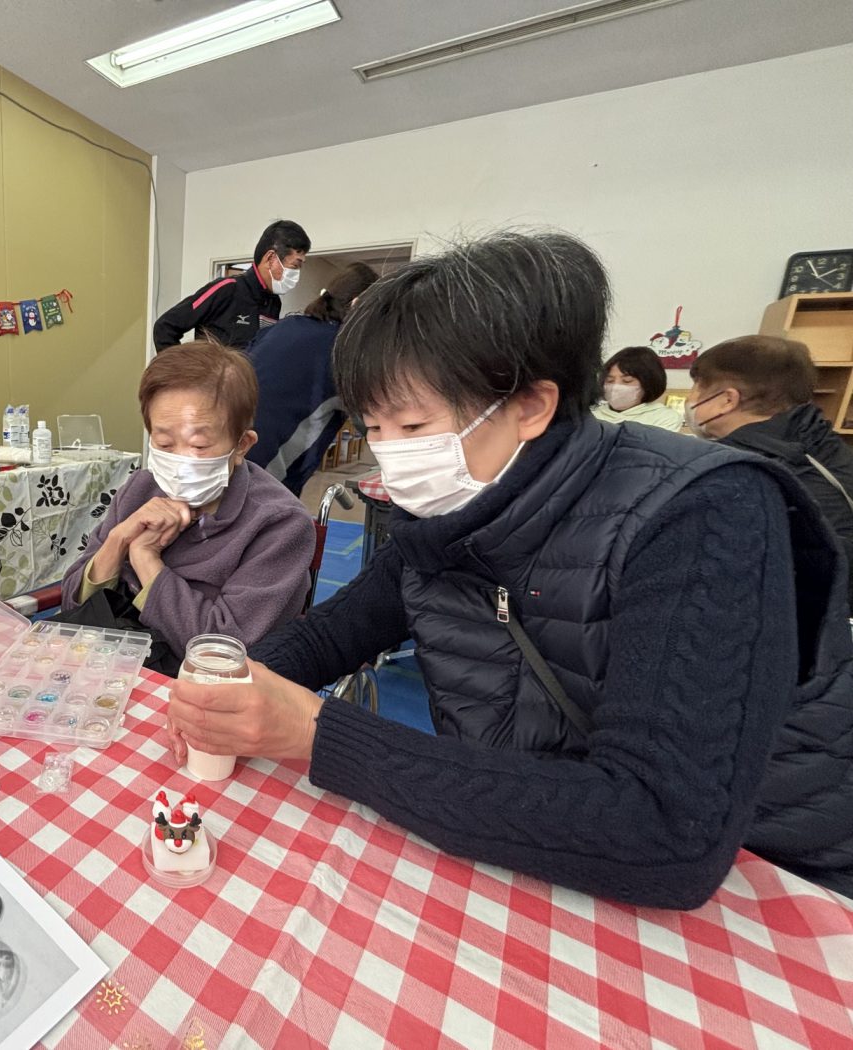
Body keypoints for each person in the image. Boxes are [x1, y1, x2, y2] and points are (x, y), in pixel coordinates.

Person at [166, 231, 853, 907]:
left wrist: (318, 732)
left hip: (765, 881)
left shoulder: (706, 511)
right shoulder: (447, 513)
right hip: (519, 832)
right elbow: (333, 632)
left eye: (413, 428)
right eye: (374, 428)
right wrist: (227, 684)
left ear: (530, 405)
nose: (391, 454)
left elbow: (664, 829)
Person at [60, 342, 316, 666]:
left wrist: (146, 560)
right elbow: (73, 604)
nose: (180, 461)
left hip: (198, 683)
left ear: (242, 445)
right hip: (109, 663)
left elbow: (223, 650)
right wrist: (119, 540)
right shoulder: (141, 489)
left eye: (199, 445)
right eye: (164, 443)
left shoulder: (279, 524)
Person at [688, 335, 853, 612]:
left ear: (727, 400)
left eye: (697, 387)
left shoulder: (734, 469)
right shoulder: (828, 446)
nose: (691, 398)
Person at [246, 262, 379, 497]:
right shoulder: (344, 354)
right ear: (358, 305)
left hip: (226, 459)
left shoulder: (283, 327)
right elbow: (380, 426)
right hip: (266, 483)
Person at [152, 220, 311, 352]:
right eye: (295, 265)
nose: (297, 273)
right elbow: (165, 327)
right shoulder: (227, 289)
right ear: (271, 258)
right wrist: (184, 374)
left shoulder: (274, 302)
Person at [591, 345, 682, 430]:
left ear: (648, 383)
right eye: (610, 381)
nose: (615, 387)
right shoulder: (591, 415)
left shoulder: (665, 417)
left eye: (627, 381)